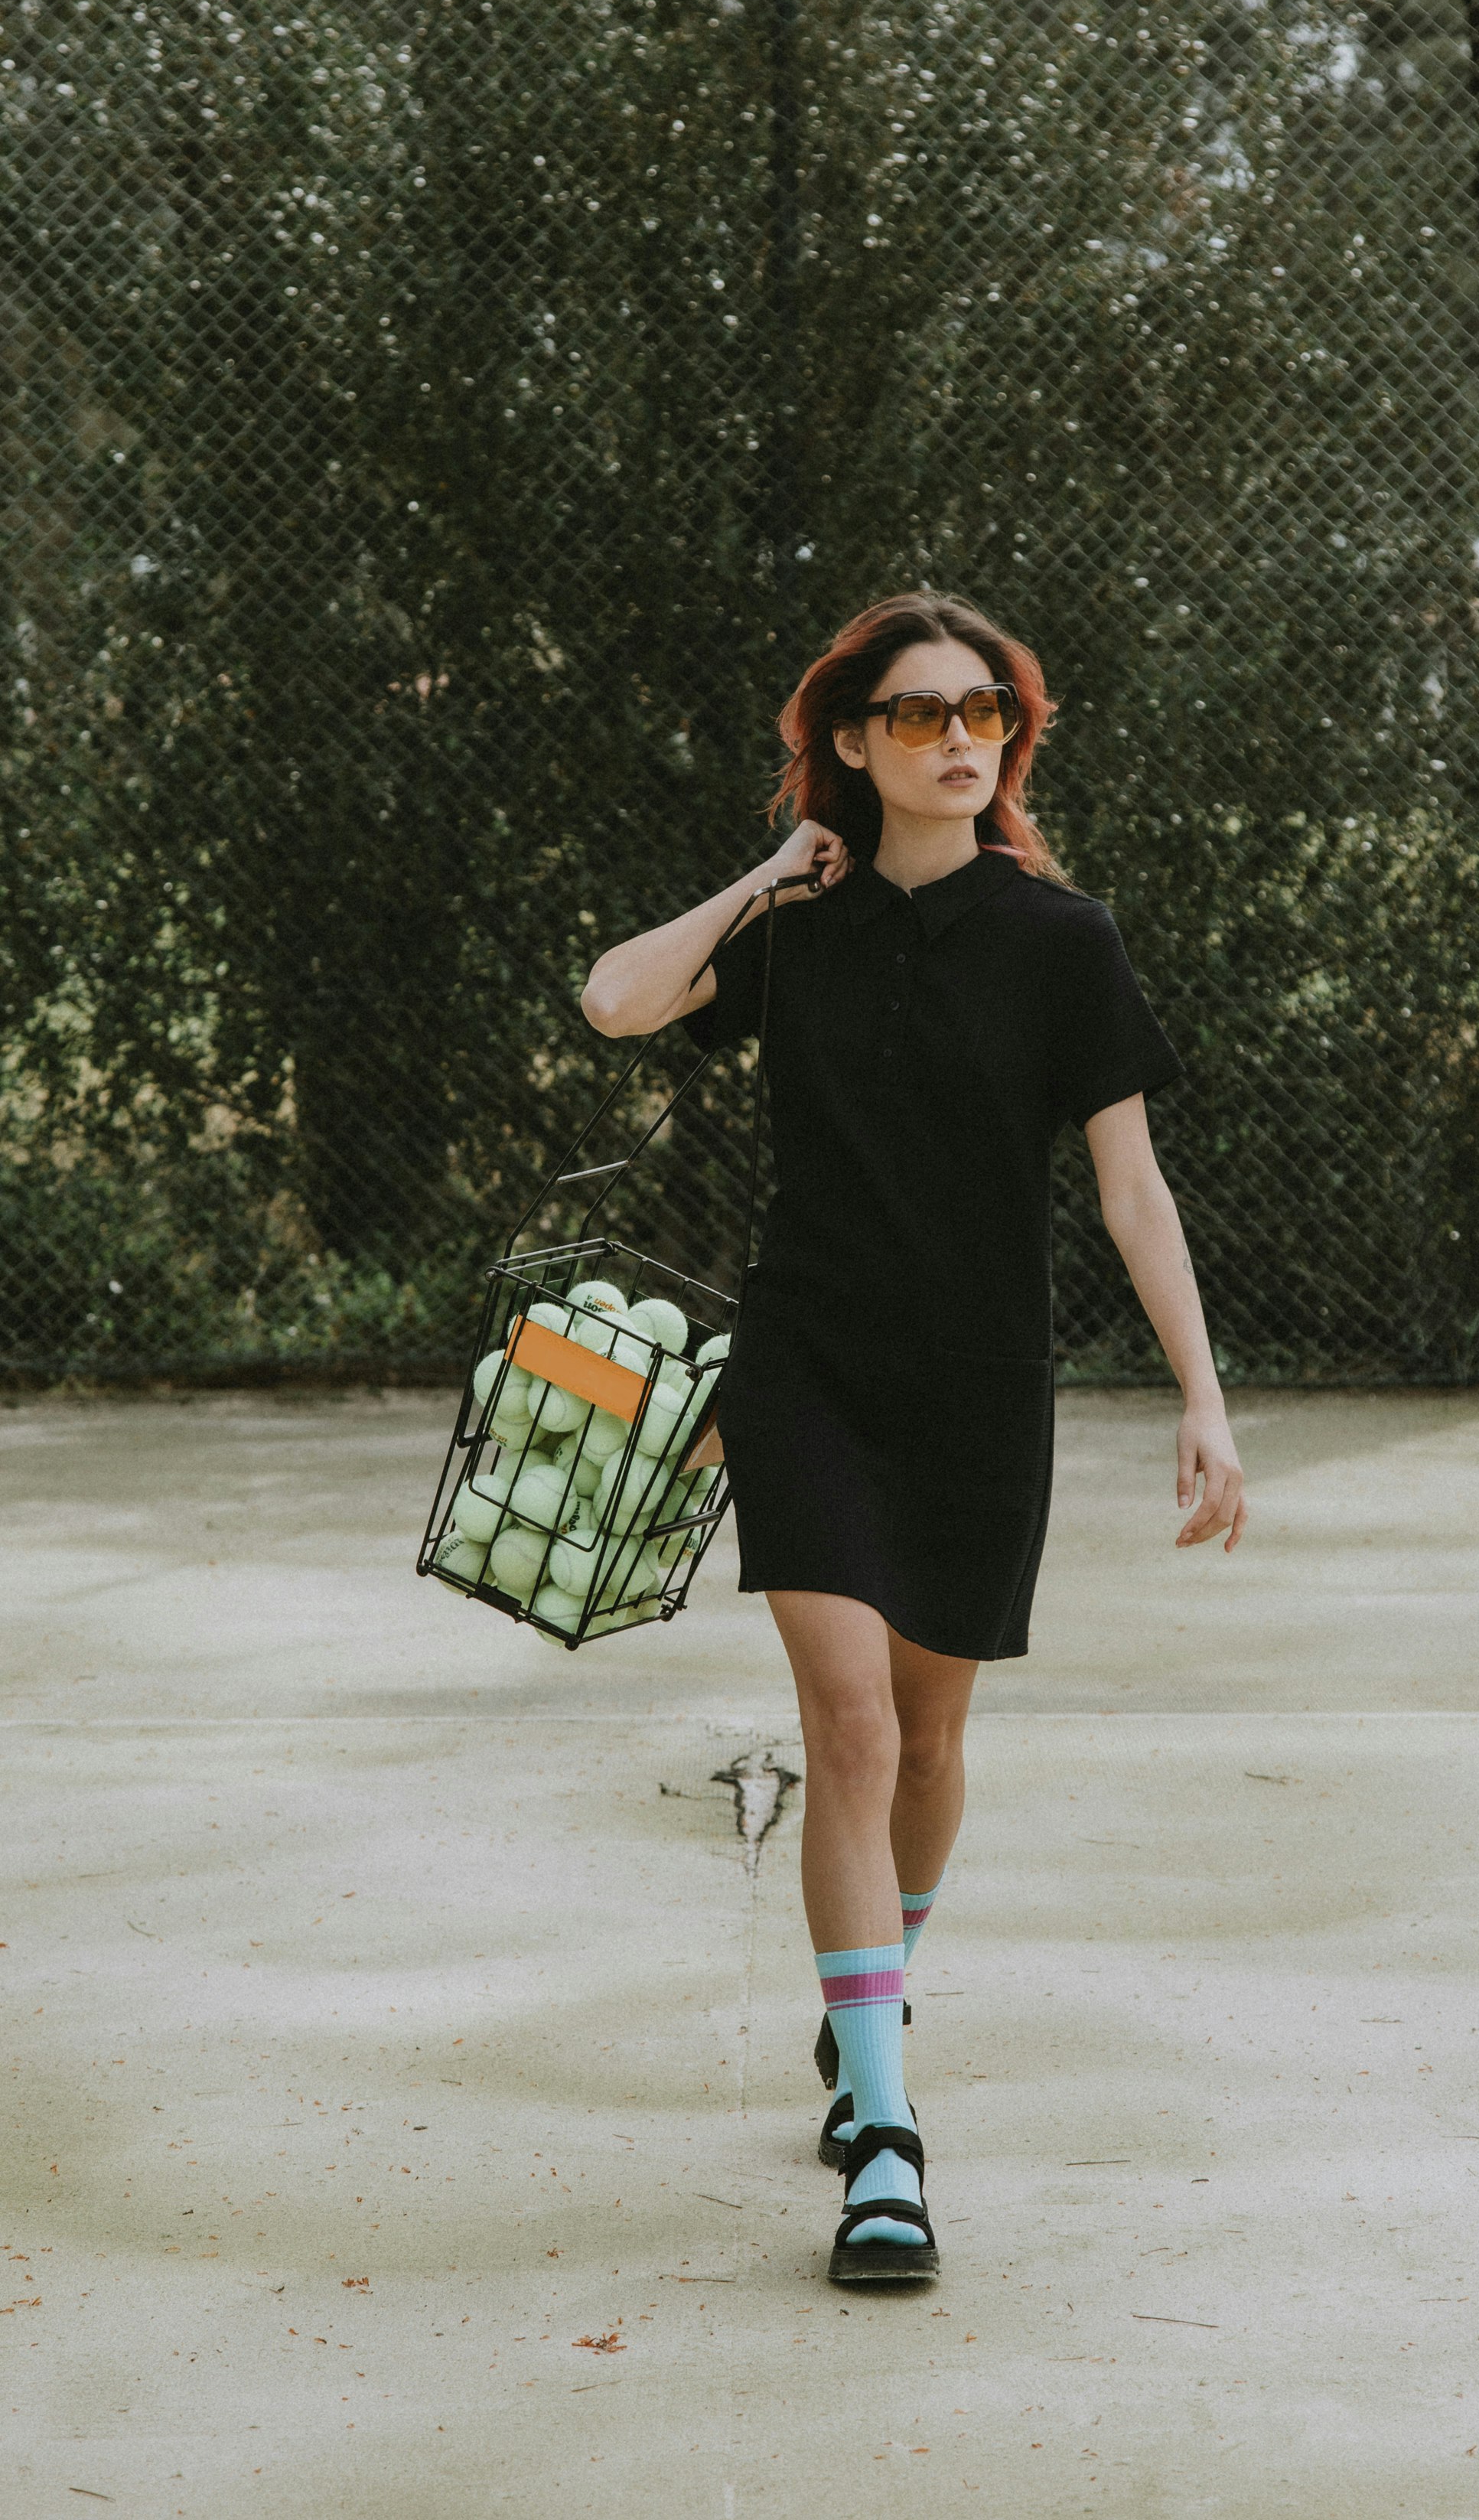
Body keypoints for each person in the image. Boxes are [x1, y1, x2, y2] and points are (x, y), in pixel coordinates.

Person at [582, 592, 1247, 2286]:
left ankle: (861, 1997)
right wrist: (764, 877)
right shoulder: (797, 927)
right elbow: (616, 1000)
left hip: (978, 1386)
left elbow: (1131, 1185)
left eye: (987, 715)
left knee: (935, 1746)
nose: (962, 738)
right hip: (800, 1365)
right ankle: (885, 2138)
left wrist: (1203, 1396)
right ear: (859, 740)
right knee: (856, 1730)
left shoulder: (1062, 939)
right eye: (922, 711)